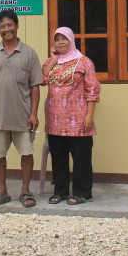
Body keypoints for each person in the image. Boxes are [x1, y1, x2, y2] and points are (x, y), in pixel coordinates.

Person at [0, 8, 43, 208]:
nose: (7, 29)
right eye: (3, 26)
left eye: (10, 24)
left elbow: (35, 86)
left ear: (17, 25)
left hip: (23, 116)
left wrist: (33, 114)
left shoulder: (29, 53)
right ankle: (2, 191)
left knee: (27, 153)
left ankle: (25, 191)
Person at [42, 26, 100, 205]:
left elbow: (93, 90)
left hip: (78, 119)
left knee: (81, 158)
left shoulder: (84, 62)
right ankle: (60, 192)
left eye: (64, 38)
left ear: (71, 40)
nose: (60, 42)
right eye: (57, 39)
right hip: (55, 120)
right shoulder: (50, 62)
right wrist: (53, 59)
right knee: (58, 158)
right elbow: (42, 79)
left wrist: (90, 116)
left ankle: (83, 193)